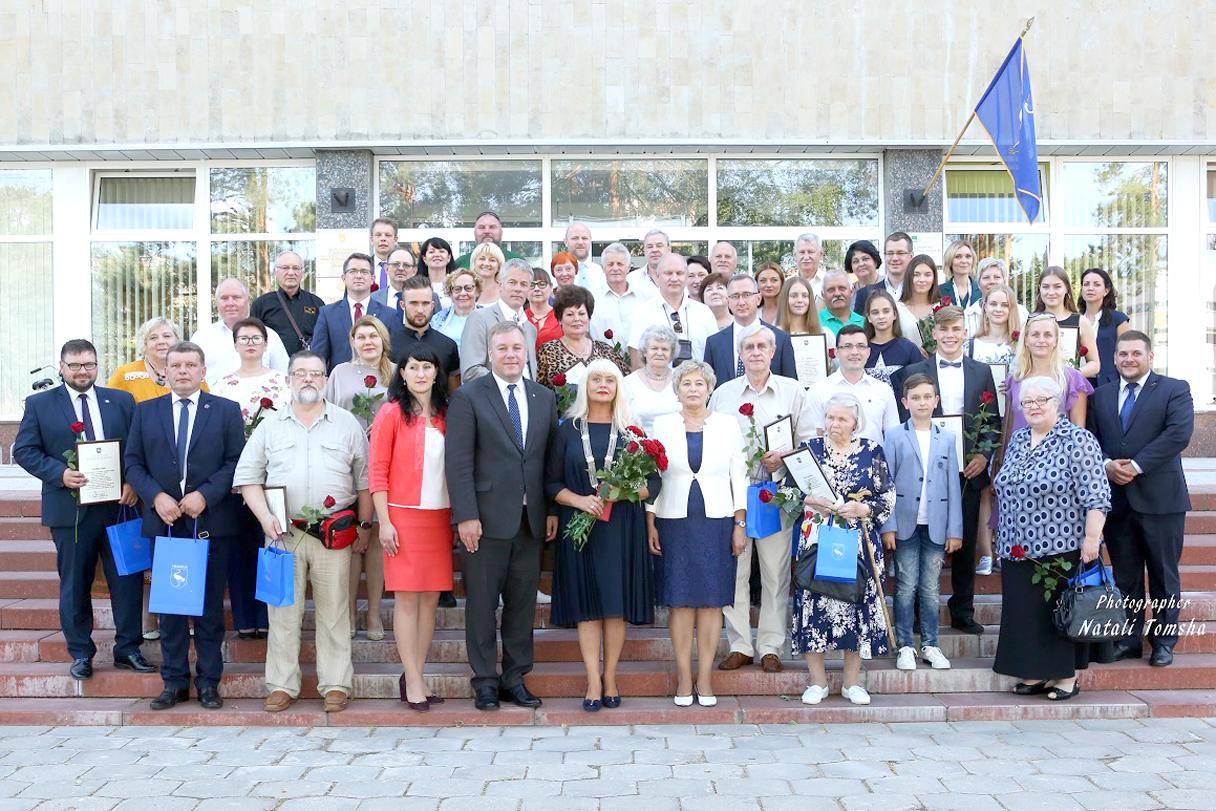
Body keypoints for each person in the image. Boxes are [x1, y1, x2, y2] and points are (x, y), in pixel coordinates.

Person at [234, 351, 372, 714]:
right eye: (301, 374)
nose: (308, 380)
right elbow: (248, 479)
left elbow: (364, 483)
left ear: (326, 380)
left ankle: (336, 684)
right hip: (282, 535)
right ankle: (282, 685)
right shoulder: (270, 425)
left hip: (332, 534)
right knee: (282, 613)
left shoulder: (346, 424)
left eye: (316, 374)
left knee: (335, 611)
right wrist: (265, 519)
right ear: (289, 380)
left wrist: (365, 526)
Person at [14, 339, 152, 681]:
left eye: (88, 364)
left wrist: (133, 483)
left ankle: (129, 649)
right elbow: (26, 450)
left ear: (97, 365)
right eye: (74, 365)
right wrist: (59, 474)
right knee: (75, 583)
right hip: (70, 511)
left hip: (120, 507)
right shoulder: (40, 404)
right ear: (61, 367)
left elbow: (138, 447)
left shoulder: (120, 400)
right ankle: (81, 653)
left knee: (128, 580)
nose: (82, 371)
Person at [124, 341, 245, 710]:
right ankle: (174, 682)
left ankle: (209, 682)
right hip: (166, 522)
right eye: (175, 365)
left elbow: (235, 461)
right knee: (171, 608)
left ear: (203, 371)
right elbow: (133, 463)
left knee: (209, 608)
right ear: (165, 373)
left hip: (210, 522)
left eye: (191, 365)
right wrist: (155, 496)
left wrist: (205, 495)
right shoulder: (145, 412)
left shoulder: (225, 411)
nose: (182, 371)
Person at [445, 321, 559, 711]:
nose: (510, 354)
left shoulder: (544, 397)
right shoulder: (469, 397)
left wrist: (550, 510)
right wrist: (466, 516)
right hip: (485, 520)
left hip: (531, 520)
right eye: (502, 348)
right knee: (481, 604)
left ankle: (515, 677)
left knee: (522, 604)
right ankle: (485, 681)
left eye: (516, 347)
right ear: (490, 353)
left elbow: (547, 462)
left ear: (526, 351)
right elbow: (458, 462)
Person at [546, 359, 658, 711]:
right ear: (586, 385)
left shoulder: (631, 432)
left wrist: (619, 493)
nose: (603, 385)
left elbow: (653, 482)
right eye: (596, 379)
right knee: (587, 607)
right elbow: (549, 482)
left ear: (618, 387)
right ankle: (592, 679)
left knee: (614, 606)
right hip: (579, 527)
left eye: (611, 379)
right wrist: (580, 501)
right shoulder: (566, 429)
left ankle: (610, 676)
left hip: (621, 528)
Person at [992, 376, 1110, 701]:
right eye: (1027, 402)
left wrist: (1092, 537)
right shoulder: (1017, 439)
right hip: (1016, 547)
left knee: (1058, 612)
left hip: (1060, 546)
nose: (1033, 407)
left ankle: (1064, 677)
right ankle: (1034, 672)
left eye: (1041, 400)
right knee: (1025, 615)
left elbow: (1097, 495)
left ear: (1058, 403)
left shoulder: (1077, 440)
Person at [890, 306, 999, 635]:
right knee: (923, 536)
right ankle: (920, 615)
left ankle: (963, 610)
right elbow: (904, 421)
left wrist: (982, 455)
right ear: (933, 334)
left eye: (956, 329)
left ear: (965, 332)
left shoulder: (981, 371)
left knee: (962, 539)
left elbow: (992, 419)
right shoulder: (914, 370)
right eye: (944, 329)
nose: (950, 335)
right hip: (924, 466)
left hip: (967, 469)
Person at [1088, 331, 1194, 667]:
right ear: (1115, 357)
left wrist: (1135, 466)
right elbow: (1091, 438)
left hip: (1161, 499)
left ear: (1150, 356)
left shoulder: (1174, 389)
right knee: (1125, 574)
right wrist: (1106, 464)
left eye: (1136, 353)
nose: (1129, 359)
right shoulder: (1101, 395)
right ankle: (1129, 638)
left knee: (1164, 573)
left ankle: (1164, 640)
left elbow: (1178, 434)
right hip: (1117, 500)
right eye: (1123, 354)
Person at [648, 361, 748, 706]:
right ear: (677, 389)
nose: (693, 389)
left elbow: (740, 476)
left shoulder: (728, 425)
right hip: (673, 519)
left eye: (699, 384)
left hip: (717, 521)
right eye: (686, 383)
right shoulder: (661, 425)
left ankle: (704, 678)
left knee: (710, 603)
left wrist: (739, 523)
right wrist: (650, 520)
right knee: (679, 603)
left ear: (709, 389)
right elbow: (652, 476)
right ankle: (683, 676)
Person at [709, 329, 808, 674]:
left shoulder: (792, 392)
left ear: (773, 351)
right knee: (734, 571)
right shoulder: (723, 394)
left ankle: (770, 646)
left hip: (773, 494)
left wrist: (784, 457)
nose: (755, 352)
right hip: (733, 495)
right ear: (741, 354)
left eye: (761, 346)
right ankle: (739, 645)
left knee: (775, 574)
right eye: (748, 347)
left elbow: (810, 442)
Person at [791, 393, 896, 706]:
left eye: (842, 419)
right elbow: (788, 491)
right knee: (813, 604)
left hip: (858, 542)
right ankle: (817, 682)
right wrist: (809, 499)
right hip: (816, 539)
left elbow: (888, 496)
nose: (834, 424)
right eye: (830, 417)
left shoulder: (871, 451)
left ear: (855, 423)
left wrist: (861, 509)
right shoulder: (809, 451)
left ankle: (852, 683)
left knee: (856, 605)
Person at [368, 343, 455, 710]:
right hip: (401, 515)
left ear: (437, 373)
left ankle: (415, 674)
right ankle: (414, 679)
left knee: (430, 599)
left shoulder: (449, 414)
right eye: (413, 367)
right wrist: (383, 522)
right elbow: (377, 471)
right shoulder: (390, 413)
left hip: (438, 516)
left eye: (427, 367)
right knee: (406, 598)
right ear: (401, 373)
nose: (421, 374)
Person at [108, 316, 204, 642]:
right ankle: (150, 616)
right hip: (142, 483)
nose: (161, 341)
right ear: (143, 343)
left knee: (183, 549)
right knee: (147, 552)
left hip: (185, 484)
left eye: (168, 335)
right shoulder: (126, 374)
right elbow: (113, 428)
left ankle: (184, 610)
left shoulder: (189, 373)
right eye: (153, 337)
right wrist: (130, 480)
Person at [880, 374, 963, 671]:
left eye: (928, 397)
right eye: (915, 398)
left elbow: (953, 484)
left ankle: (931, 644)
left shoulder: (948, 437)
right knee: (904, 586)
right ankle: (904, 645)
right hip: (903, 523)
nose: (922, 402)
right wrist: (887, 525)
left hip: (936, 525)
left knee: (930, 588)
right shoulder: (893, 436)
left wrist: (955, 529)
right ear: (905, 402)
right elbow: (885, 483)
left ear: (936, 401)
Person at [215, 318, 290, 641]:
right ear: (234, 345)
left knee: (273, 542)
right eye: (243, 338)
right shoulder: (220, 384)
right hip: (234, 479)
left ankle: (270, 615)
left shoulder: (283, 382)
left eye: (256, 338)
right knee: (239, 547)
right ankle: (245, 618)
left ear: (266, 343)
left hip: (274, 476)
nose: (250, 343)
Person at [323, 316, 393, 640]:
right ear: (353, 341)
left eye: (373, 336)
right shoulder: (340, 373)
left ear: (383, 340)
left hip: (386, 462)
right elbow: (329, 413)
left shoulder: (395, 372)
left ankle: (375, 613)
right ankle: (350, 610)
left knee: (378, 537)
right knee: (352, 537)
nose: (367, 342)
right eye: (361, 336)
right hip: (347, 463)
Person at [803, 325, 899, 446]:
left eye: (861, 346)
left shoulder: (883, 390)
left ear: (868, 352)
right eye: (847, 346)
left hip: (874, 462)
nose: (855, 352)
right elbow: (813, 438)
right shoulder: (818, 390)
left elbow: (893, 437)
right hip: (830, 463)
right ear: (836, 352)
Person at [310, 253, 404, 371]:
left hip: (379, 383)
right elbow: (318, 357)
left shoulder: (389, 314)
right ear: (344, 278)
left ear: (372, 279)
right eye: (353, 271)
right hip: (341, 383)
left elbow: (395, 356)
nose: (358, 276)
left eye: (364, 272)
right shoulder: (328, 314)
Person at [628, 253, 723, 369]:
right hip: (658, 384)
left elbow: (717, 355)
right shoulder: (643, 312)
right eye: (668, 273)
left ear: (686, 276)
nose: (674, 278)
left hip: (698, 384)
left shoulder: (704, 312)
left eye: (679, 273)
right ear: (657, 276)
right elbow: (637, 359)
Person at [191, 278, 290, 387]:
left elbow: (285, 378)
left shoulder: (269, 336)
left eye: (236, 297)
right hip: (214, 402)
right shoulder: (202, 337)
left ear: (248, 300)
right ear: (217, 302)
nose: (230, 303)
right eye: (224, 298)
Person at [702, 273, 797, 387]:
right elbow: (708, 389)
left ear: (758, 298)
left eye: (746, 295)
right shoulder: (714, 343)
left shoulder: (781, 339)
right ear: (728, 301)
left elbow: (791, 386)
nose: (741, 302)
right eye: (735, 296)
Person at [1007, 313, 1093, 431]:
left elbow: (1079, 430)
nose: (1041, 340)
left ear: (1056, 341)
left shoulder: (1073, 379)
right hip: (1020, 448)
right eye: (1035, 335)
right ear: (1026, 340)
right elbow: (1011, 425)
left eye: (1048, 335)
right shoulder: (1015, 379)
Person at [459, 258, 540, 383]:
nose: (518, 289)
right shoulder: (480, 318)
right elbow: (471, 371)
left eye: (523, 284)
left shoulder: (530, 328)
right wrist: (509, 384)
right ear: (500, 284)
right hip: (490, 399)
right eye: (512, 282)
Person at [537, 285, 630, 389]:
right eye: (570, 314)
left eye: (581, 314)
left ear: (589, 317)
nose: (577, 319)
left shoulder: (606, 350)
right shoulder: (548, 351)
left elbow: (625, 384)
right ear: (560, 319)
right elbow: (541, 392)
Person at [392, 276, 461, 391]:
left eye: (425, 303)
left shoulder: (448, 345)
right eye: (414, 303)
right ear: (402, 305)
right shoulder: (389, 344)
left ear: (433, 306)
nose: (420, 310)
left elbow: (454, 393)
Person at [250, 251, 324, 356]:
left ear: (302, 272)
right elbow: (253, 338)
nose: (291, 273)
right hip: (273, 367)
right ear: (276, 272)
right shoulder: (261, 304)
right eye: (285, 268)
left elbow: (323, 338)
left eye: (296, 268)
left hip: (307, 366)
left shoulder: (316, 303)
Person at [1033, 266, 1100, 378]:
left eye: (1057, 287)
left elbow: (1095, 364)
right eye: (1046, 287)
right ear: (1040, 289)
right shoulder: (1031, 321)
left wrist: (1069, 375)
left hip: (1070, 390)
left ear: (1067, 289)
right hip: (1036, 390)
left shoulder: (1081, 322)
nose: (1051, 292)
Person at [589, 241, 652, 345]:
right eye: (610, 264)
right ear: (603, 268)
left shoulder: (643, 298)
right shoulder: (591, 299)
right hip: (603, 359)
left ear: (628, 268)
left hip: (638, 359)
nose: (615, 268)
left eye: (620, 264)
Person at [622, 325, 681, 435]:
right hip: (641, 448)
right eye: (654, 348)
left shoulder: (681, 379)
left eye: (665, 349)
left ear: (672, 353)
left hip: (677, 443)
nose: (659, 353)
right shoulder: (628, 383)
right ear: (645, 352)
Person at [1079, 267, 1131, 388]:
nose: (1090, 288)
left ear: (1106, 290)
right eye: (1086, 284)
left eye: (1096, 284)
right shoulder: (1075, 320)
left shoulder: (1118, 319)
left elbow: (1126, 354)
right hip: (1079, 382)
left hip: (1108, 383)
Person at [862, 290, 922, 386]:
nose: (881, 316)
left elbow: (920, 384)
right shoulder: (861, 349)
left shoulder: (909, 349)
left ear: (894, 314)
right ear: (869, 317)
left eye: (886, 311)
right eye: (875, 312)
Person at [964, 258, 1030, 337]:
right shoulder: (967, 316)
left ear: (1004, 281)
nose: (992, 281)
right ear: (978, 283)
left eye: (997, 277)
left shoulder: (1021, 313)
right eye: (986, 277)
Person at [896, 254, 942, 352]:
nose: (922, 280)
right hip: (906, 364)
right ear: (909, 277)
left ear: (934, 278)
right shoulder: (897, 309)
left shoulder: (943, 307)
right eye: (916, 275)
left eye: (927, 274)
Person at [857, 232, 914, 311]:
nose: (894, 258)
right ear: (884, 256)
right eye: (890, 253)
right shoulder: (864, 294)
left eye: (900, 253)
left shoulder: (922, 291)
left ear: (911, 256)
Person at [967, 283, 1021, 366]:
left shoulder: (1022, 345)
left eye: (1004, 305)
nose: (998, 309)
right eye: (993, 304)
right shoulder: (970, 347)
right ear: (985, 307)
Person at [431, 267, 481, 349]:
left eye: (468, 288)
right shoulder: (437, 319)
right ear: (450, 293)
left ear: (477, 291)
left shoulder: (489, 317)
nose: (463, 293)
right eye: (457, 289)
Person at [454, 211, 524, 269]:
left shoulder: (518, 262)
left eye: (492, 227)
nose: (487, 231)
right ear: (474, 233)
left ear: (501, 233)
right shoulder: (460, 263)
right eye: (481, 227)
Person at [372, 245, 418, 313]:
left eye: (406, 265)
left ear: (414, 271)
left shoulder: (428, 297)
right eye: (395, 264)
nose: (401, 268)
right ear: (386, 269)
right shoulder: (373, 298)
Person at [626, 229, 672, 298]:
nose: (654, 250)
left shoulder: (683, 277)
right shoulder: (631, 280)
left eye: (659, 246)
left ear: (669, 249)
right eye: (650, 246)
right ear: (644, 251)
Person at [818, 270, 866, 336]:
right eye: (831, 290)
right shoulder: (815, 323)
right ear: (823, 295)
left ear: (852, 292)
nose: (837, 294)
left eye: (842, 288)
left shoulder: (865, 323)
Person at [526, 267, 563, 349]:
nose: (536, 289)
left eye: (542, 284)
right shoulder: (519, 318)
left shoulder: (561, 316)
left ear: (551, 288)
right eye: (531, 285)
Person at [563, 222, 607, 290]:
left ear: (590, 241)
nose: (580, 242)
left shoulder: (600, 272)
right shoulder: (557, 273)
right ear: (566, 242)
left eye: (584, 238)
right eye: (575, 238)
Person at [939, 240, 979, 310]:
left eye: (968, 256)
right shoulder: (939, 291)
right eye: (958, 256)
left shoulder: (981, 290)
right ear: (950, 261)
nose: (964, 261)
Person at [419, 236, 457, 310]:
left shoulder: (457, 284)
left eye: (442, 251)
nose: (437, 255)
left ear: (449, 257)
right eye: (431, 252)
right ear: (424, 259)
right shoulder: (417, 285)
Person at [847, 240, 883, 314]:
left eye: (865, 259)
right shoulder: (849, 291)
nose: (861, 264)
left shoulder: (888, 284)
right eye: (855, 261)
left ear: (875, 261)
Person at [469, 241, 506, 306]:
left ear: (499, 266)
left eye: (492, 260)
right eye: (482, 259)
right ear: (474, 263)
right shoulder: (464, 290)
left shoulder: (506, 291)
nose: (486, 264)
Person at [369, 217, 399, 290]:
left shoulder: (404, 268)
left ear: (395, 240)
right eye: (378, 235)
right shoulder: (363, 267)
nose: (383, 239)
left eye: (388, 235)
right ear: (372, 240)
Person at [793, 233, 825, 298]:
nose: (806, 257)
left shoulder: (828, 282)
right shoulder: (786, 283)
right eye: (802, 252)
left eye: (810, 252)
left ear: (821, 254)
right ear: (795, 255)